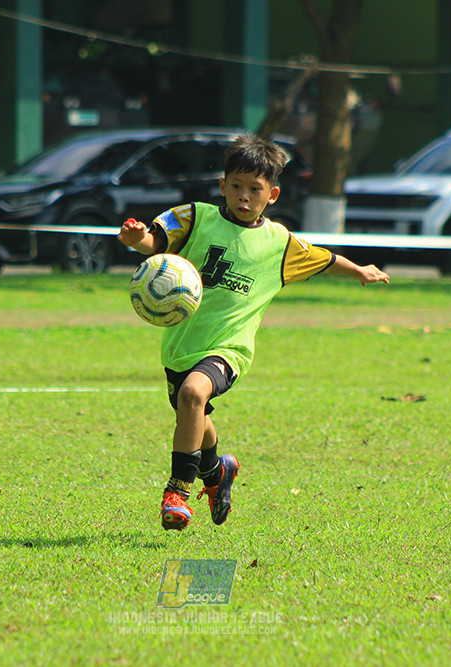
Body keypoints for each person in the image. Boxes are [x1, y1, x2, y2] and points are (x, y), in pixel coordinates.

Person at [117, 134, 390, 531]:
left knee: (193, 394)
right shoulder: (194, 217)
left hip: (230, 349)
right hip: (180, 346)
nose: (244, 196)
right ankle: (218, 472)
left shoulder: (278, 243)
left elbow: (326, 259)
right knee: (193, 412)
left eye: (255, 189)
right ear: (222, 185)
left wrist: (360, 271)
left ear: (272, 194)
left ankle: (177, 491)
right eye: (236, 186)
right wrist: (135, 239)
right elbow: (153, 241)